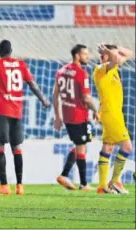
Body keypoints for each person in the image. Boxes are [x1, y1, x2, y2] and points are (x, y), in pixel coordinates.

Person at [0, 40, 51, 196]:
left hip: (2, 111)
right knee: (16, 148)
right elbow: (32, 84)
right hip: (17, 112)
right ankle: (20, 186)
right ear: (11, 51)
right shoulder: (21, 64)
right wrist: (43, 99)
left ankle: (4, 186)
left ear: (0, 52)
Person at [53, 44, 99, 191]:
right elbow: (86, 98)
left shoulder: (61, 71)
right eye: (85, 54)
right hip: (79, 116)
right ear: (77, 55)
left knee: (81, 145)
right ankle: (84, 184)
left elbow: (55, 95)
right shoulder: (81, 73)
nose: (88, 56)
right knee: (81, 148)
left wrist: (58, 116)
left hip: (67, 116)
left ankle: (65, 175)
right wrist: (96, 110)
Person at [93, 44, 133, 194]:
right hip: (111, 114)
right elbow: (116, 59)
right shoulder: (101, 69)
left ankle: (102, 186)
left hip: (112, 113)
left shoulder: (113, 69)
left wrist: (117, 49)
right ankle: (115, 181)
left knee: (108, 148)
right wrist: (110, 52)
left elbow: (129, 53)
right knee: (127, 147)